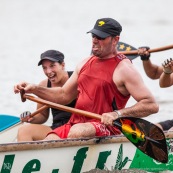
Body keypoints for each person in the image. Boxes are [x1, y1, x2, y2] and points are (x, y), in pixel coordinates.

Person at [14, 17, 159, 141]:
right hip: (75, 123)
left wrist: (117, 114)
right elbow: (63, 96)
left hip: (107, 126)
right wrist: (34, 89)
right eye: (93, 36)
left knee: (78, 131)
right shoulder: (84, 63)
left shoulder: (125, 69)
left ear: (115, 40)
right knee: (48, 140)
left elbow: (151, 105)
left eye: (101, 37)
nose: (95, 41)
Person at [17, 50, 76, 141]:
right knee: (24, 130)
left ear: (63, 65)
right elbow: (42, 115)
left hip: (77, 126)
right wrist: (31, 118)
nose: (48, 71)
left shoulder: (76, 78)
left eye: (52, 66)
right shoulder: (44, 85)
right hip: (56, 128)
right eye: (44, 68)